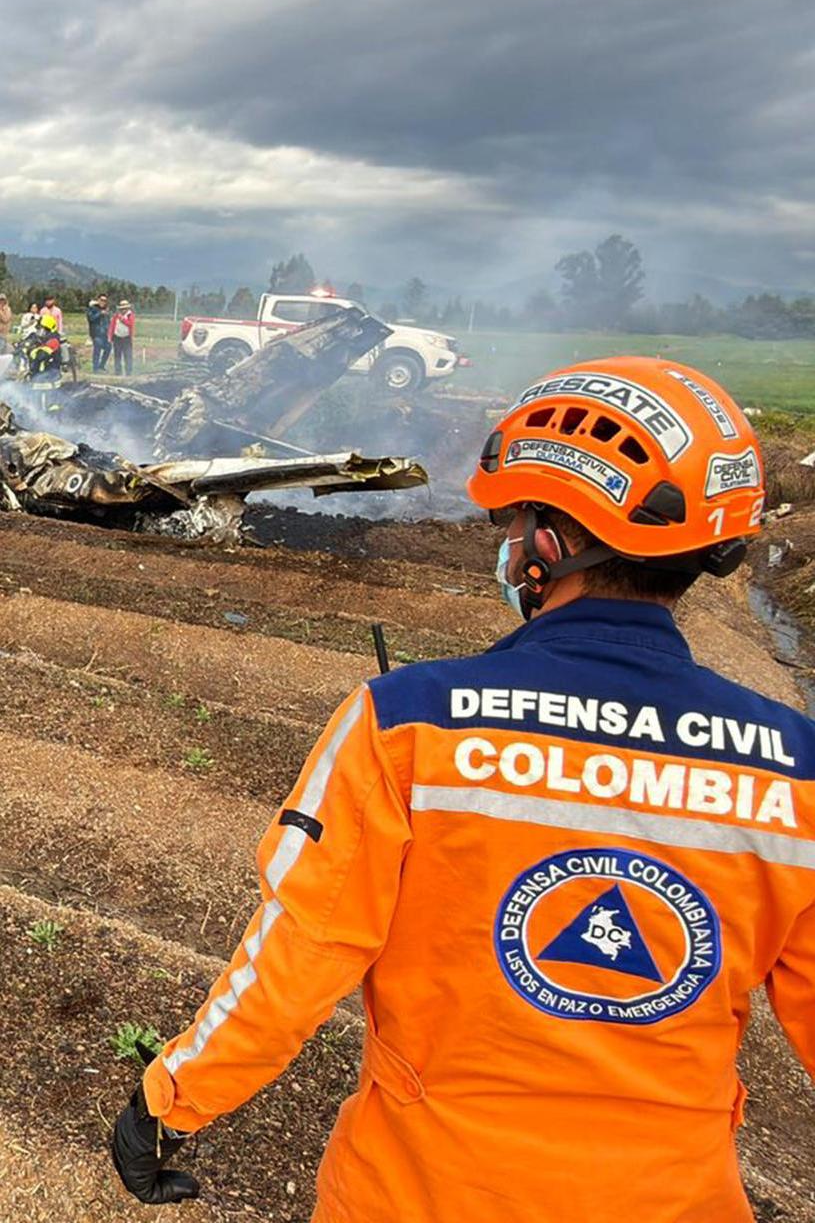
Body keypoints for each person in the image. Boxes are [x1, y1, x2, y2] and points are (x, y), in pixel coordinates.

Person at [110, 357, 815, 1222]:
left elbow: (301, 956)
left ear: (550, 544)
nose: (507, 542)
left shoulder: (406, 723)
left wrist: (170, 1102)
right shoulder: (794, 766)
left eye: (516, 520)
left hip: (419, 1193)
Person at [108, 299, 134, 375]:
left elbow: (130, 324)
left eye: (125, 308)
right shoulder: (116, 316)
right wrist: (110, 336)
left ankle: (128, 372)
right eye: (122, 308)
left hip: (126, 338)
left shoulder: (130, 315)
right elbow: (112, 326)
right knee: (117, 356)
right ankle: (118, 372)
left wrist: (122, 319)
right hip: (117, 337)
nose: (123, 310)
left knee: (128, 356)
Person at [87, 294, 111, 373]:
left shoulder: (106, 310)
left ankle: (101, 366)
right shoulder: (92, 309)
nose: (103, 302)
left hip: (105, 334)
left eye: (105, 300)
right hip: (96, 334)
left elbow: (108, 321)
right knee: (97, 350)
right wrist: (100, 313)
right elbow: (91, 318)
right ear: (98, 300)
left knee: (108, 348)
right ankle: (95, 368)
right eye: (101, 300)